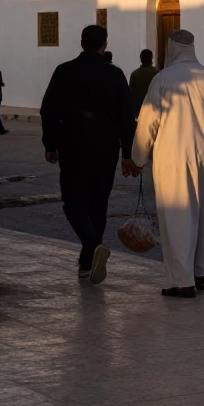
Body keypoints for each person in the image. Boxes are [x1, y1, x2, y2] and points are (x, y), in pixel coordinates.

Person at [123, 30, 204, 298]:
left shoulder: (163, 79)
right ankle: (199, 273)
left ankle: (181, 281)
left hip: (173, 156)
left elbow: (148, 122)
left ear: (171, 48)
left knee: (177, 216)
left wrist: (138, 158)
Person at [40, 25, 135, 284]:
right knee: (98, 203)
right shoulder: (115, 74)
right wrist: (128, 152)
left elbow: (48, 110)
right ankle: (89, 257)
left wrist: (50, 144)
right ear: (104, 44)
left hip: (73, 147)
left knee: (73, 202)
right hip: (106, 149)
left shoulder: (64, 71)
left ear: (81, 43)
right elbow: (127, 117)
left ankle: (91, 248)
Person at [128, 49, 159, 119]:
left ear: (141, 59)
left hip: (138, 112)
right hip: (154, 111)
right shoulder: (157, 73)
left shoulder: (134, 74)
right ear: (151, 58)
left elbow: (130, 94)